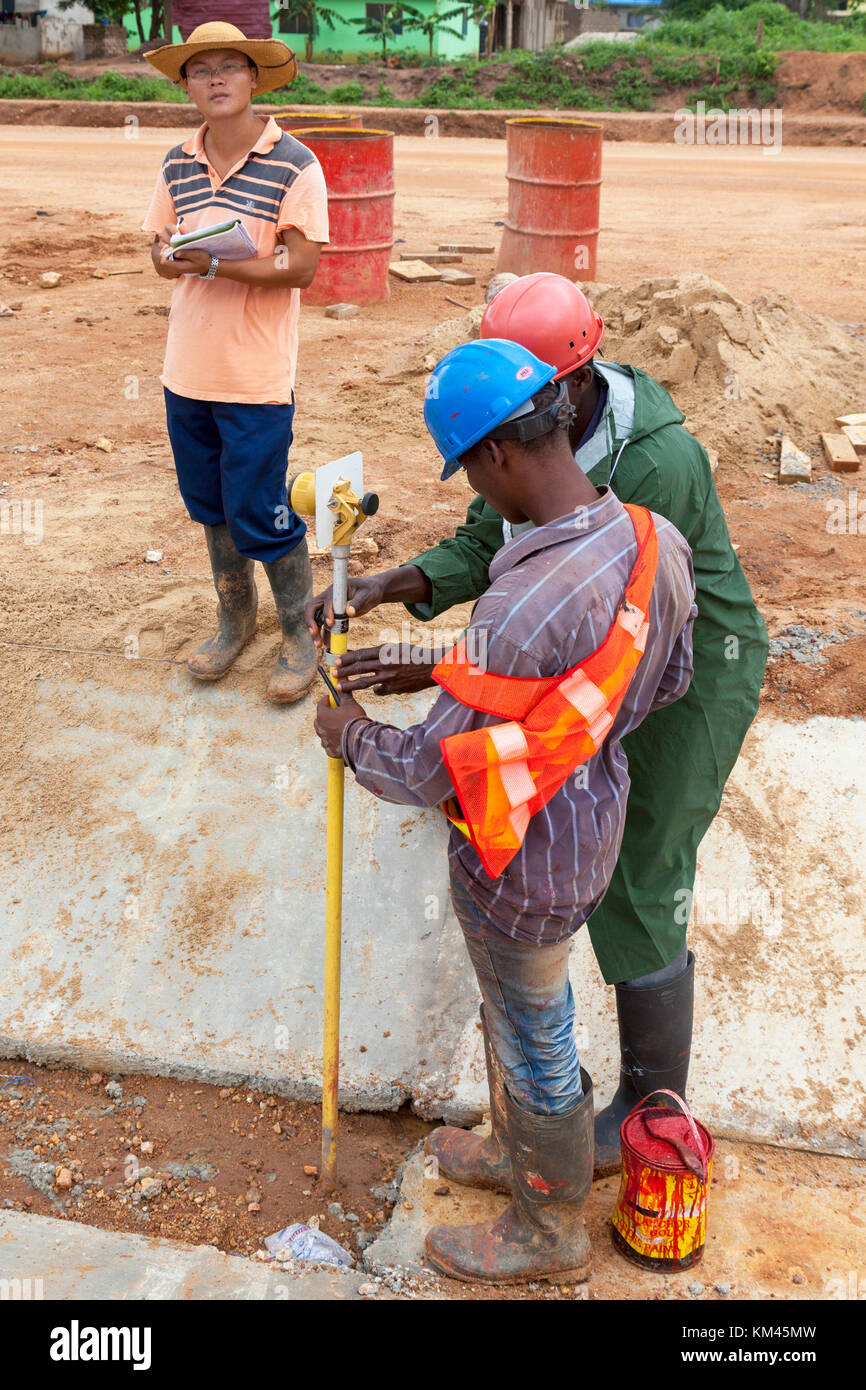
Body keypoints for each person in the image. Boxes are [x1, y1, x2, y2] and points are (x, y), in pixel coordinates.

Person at [310, 273, 769, 1175]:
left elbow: (564, 645)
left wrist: (368, 726)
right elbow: (505, 555)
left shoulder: (653, 471)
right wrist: (399, 602)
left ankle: (645, 1110)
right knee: (592, 841)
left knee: (646, 872)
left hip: (688, 671)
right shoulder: (550, 446)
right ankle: (543, 1141)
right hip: (627, 662)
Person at [142, 22, 328, 703]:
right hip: (184, 372)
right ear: (186, 85)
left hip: (254, 378)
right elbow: (160, 253)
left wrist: (220, 260)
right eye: (200, 70)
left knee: (262, 508)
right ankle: (234, 619)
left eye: (229, 67)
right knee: (210, 506)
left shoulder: (295, 164)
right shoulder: (176, 162)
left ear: (254, 80)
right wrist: (168, 259)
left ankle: (299, 631)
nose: (215, 79)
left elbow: (302, 265)